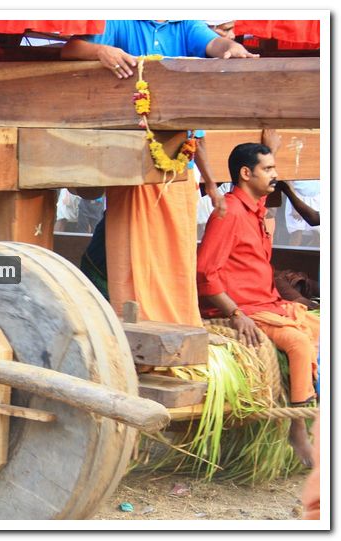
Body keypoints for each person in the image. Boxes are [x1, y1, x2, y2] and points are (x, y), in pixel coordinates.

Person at [60, 21, 257, 326]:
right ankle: (124, 323)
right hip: (131, 169)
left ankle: (174, 325)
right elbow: (70, 49)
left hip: (179, 176)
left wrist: (231, 48)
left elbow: (215, 47)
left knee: (173, 260)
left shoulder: (186, 25)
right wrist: (102, 51)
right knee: (126, 253)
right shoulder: (121, 20)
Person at [196, 142, 318, 466]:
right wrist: (235, 314)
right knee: (299, 344)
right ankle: (297, 431)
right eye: (268, 169)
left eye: (275, 168)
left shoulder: (256, 207)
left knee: (321, 329)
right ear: (246, 173)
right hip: (247, 308)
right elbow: (205, 272)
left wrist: (270, 142)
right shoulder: (229, 212)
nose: (275, 175)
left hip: (269, 304)